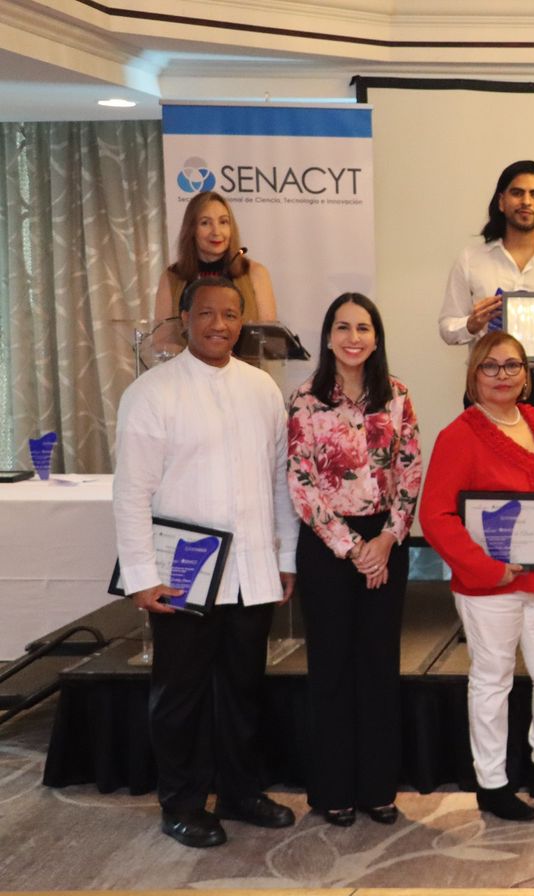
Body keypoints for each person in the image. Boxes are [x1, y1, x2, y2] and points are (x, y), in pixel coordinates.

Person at [112, 276, 298, 848]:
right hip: (182, 576)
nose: (219, 325)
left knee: (243, 688)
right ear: (184, 317)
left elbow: (279, 482)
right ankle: (184, 802)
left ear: (243, 321)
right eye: (207, 313)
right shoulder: (152, 392)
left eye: (231, 314)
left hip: (251, 570)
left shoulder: (263, 389)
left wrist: (285, 556)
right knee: (181, 692)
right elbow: (131, 493)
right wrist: (142, 576)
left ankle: (242, 791)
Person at [418, 332, 534, 822]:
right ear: (473, 376)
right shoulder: (460, 434)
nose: (502, 376)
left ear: (527, 375)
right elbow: (436, 516)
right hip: (488, 585)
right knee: (492, 681)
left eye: (512, 366)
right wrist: (487, 567)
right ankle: (492, 782)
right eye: (490, 367)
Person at [287, 293, 421, 827]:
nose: (353, 337)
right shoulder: (304, 399)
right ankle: (334, 790)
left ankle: (377, 789)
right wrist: (350, 548)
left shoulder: (398, 396)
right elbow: (300, 481)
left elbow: (410, 471)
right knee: (332, 668)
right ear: (326, 337)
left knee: (378, 665)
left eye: (363, 327)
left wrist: (386, 541)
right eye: (342, 327)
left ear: (376, 337)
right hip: (327, 546)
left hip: (386, 541)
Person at [439, 160, 534, 443]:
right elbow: (447, 327)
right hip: (486, 384)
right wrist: (471, 324)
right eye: (517, 193)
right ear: (501, 201)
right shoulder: (471, 259)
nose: (526, 201)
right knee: (486, 478)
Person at [156, 191, 278, 323]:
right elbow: (162, 339)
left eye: (223, 222)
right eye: (205, 223)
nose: (216, 231)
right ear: (191, 229)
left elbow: (268, 338)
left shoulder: (255, 273)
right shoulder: (172, 277)